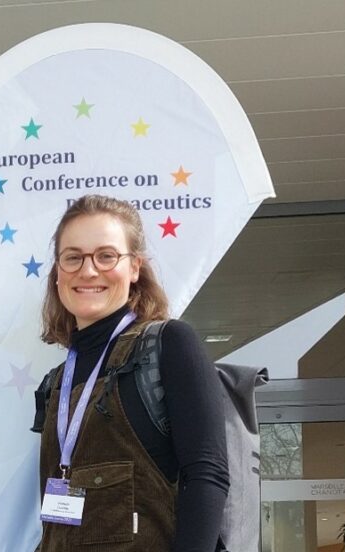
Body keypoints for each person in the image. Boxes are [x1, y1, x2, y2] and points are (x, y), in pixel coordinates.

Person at [33, 195, 229, 551]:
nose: (88, 270)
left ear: (134, 267)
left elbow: (208, 475)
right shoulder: (57, 381)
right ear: (58, 272)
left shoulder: (169, 344)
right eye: (73, 257)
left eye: (106, 256)